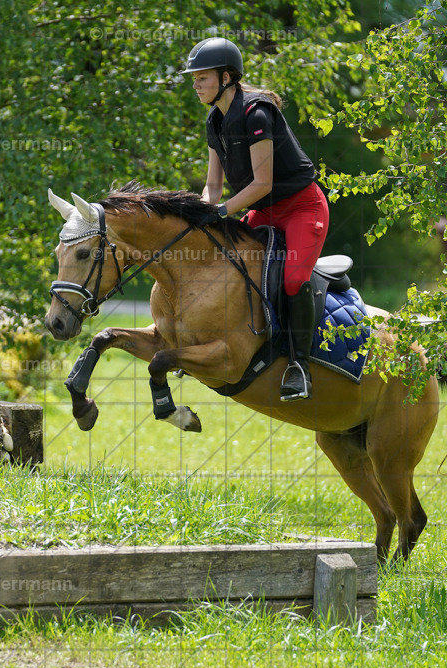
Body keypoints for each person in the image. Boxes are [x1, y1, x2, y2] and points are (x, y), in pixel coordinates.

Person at [181, 37, 329, 402]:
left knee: (293, 278)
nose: (195, 84)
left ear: (227, 76)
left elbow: (262, 183)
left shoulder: (256, 114)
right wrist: (201, 212)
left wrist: (221, 211)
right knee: (221, 263)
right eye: (194, 78)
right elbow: (212, 187)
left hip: (301, 207)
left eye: (202, 77)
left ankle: (300, 367)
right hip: (263, 210)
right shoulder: (214, 122)